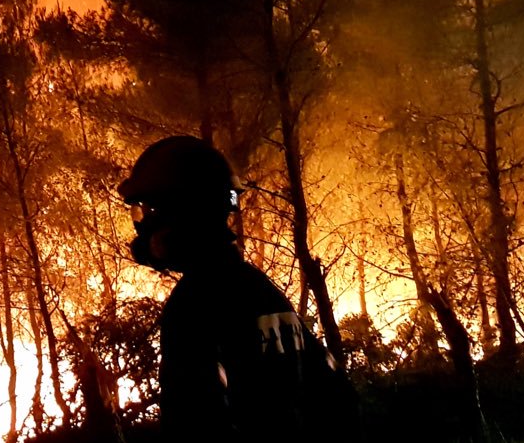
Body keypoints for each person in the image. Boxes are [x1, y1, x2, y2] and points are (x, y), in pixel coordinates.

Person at [118, 136, 360, 441]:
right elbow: (337, 399)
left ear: (182, 214)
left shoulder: (194, 305)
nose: (142, 228)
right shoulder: (264, 293)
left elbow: (193, 425)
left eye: (148, 211)